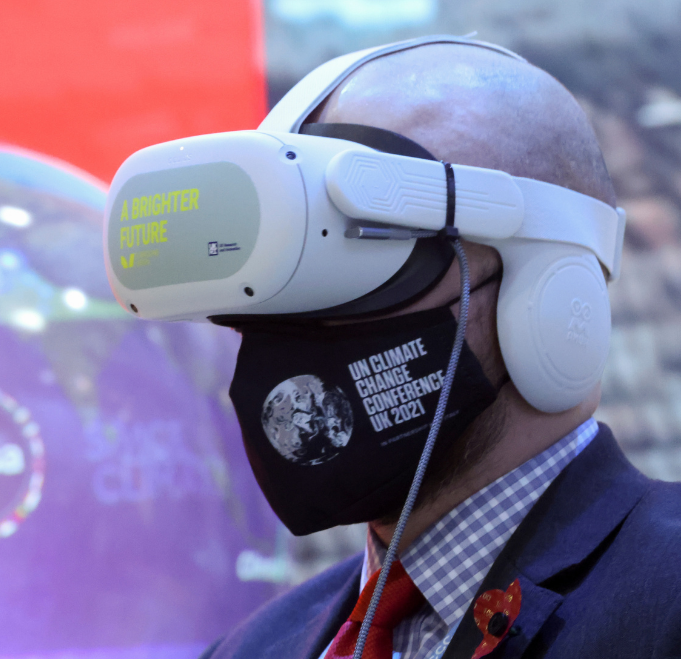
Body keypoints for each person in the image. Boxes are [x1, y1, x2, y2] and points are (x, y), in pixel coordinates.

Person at [189, 40, 681, 658]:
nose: (297, 329)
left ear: (556, 295)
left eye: (366, 259)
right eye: (278, 289)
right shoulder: (251, 649)